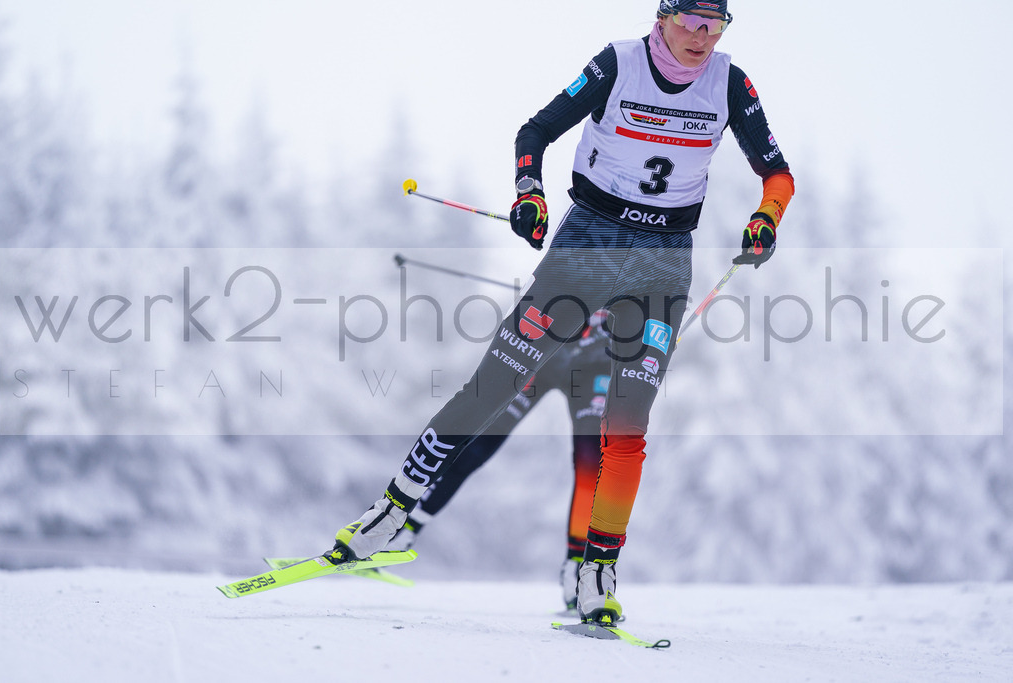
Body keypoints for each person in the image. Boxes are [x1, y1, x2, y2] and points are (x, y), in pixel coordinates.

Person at [329, 0, 794, 625]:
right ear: (662, 18)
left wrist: (767, 218)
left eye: (716, 24)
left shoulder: (730, 82)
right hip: (590, 244)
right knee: (489, 389)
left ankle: (596, 574)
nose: (702, 36)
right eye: (691, 20)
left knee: (626, 431)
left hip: (663, 262)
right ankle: (391, 514)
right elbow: (535, 132)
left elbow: (777, 174)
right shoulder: (617, 65)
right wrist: (530, 193)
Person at [386, 311, 613, 611]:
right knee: (479, 443)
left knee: (590, 462)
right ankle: (403, 532)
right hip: (549, 357)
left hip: (595, 367)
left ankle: (577, 568)